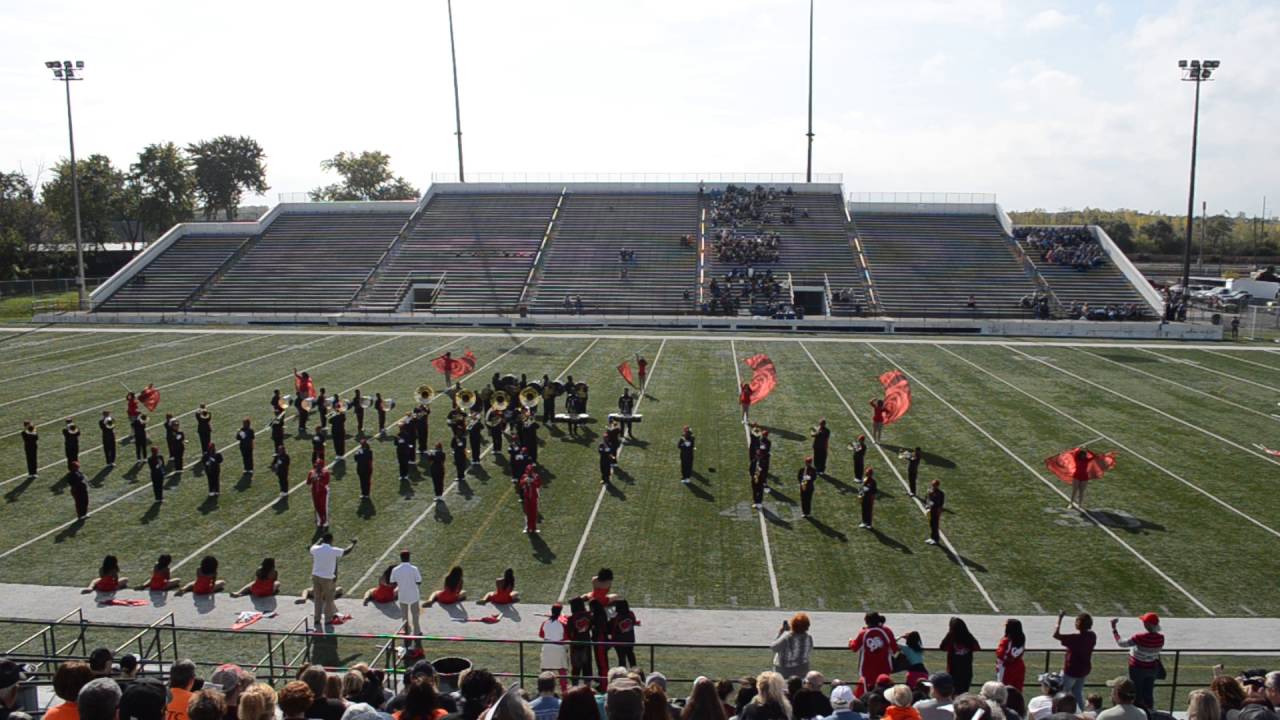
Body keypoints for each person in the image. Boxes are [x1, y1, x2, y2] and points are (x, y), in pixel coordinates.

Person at [1110, 613, 1164, 710]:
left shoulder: (1140, 637)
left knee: (1136, 694)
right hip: (1152, 668)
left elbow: (1121, 643)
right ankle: (1150, 713)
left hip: (1137, 669)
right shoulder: (1161, 638)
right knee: (1148, 694)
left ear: (1146, 624)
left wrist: (1114, 629)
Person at [310, 534, 356, 628]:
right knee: (329, 599)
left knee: (317, 599)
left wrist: (320, 540)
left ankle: (317, 619)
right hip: (327, 578)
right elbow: (346, 551)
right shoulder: (332, 550)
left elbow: (313, 546)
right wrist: (353, 544)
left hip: (315, 576)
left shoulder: (315, 549)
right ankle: (327, 620)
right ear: (331, 540)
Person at [1053, 613, 1096, 711]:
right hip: (1084, 670)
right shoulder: (1092, 635)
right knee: (1077, 693)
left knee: (1060, 694)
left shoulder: (1075, 638)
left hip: (1071, 671)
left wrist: (1059, 619)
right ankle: (1081, 714)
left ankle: (1058, 713)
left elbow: (1056, 635)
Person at [850, 612, 898, 697]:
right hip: (884, 667)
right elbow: (894, 649)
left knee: (868, 693)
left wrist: (850, 641)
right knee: (884, 693)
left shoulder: (863, 633)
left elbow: (855, 647)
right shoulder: (886, 631)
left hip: (867, 669)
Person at [390, 550, 423, 651]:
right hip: (413, 595)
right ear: (409, 557)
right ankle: (417, 632)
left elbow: (392, 582)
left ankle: (407, 632)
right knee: (415, 615)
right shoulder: (414, 569)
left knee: (404, 616)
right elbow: (419, 581)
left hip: (402, 595)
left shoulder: (395, 569)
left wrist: (401, 585)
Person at [538, 604, 569, 694]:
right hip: (559, 648)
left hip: (547, 647)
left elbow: (541, 635)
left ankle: (543, 690)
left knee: (545, 670)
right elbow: (566, 636)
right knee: (562, 670)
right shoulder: (562, 624)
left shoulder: (545, 622)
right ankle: (564, 691)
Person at [772, 613, 814, 679]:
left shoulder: (787, 638)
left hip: (784, 671)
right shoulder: (809, 638)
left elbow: (774, 647)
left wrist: (781, 633)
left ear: (793, 625)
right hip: (802, 671)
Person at [566, 597, 594, 688]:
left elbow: (568, 632)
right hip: (586, 642)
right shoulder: (589, 615)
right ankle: (588, 686)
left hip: (576, 644)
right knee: (587, 664)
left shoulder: (572, 618)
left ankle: (575, 686)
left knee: (576, 666)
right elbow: (591, 627)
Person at [996, 620, 1027, 694]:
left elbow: (1000, 654)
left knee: (1003, 689)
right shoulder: (1022, 638)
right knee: (1017, 690)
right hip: (1019, 665)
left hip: (1006, 667)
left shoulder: (1006, 640)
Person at [609, 599, 639, 668]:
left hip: (619, 641)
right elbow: (634, 622)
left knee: (621, 659)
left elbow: (611, 628)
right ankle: (635, 671)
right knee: (631, 656)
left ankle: (622, 674)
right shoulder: (631, 614)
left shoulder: (616, 617)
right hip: (630, 639)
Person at [308, 459, 331, 528]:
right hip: (314, 492)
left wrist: (319, 479)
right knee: (317, 506)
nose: (317, 467)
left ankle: (326, 521)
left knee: (324, 507)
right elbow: (308, 482)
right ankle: (320, 520)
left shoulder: (326, 472)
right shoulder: (311, 472)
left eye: (319, 466)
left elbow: (326, 483)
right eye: (317, 465)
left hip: (323, 492)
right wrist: (312, 479)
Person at [520, 465, 543, 534]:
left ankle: (534, 528)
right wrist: (525, 480)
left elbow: (538, 484)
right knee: (527, 513)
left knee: (534, 513)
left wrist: (533, 481)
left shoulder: (536, 476)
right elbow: (521, 484)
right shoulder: (524, 476)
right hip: (527, 497)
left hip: (534, 497)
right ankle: (527, 527)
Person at [925, 480, 944, 545]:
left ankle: (936, 539)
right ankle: (932, 538)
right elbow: (927, 498)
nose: (933, 486)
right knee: (931, 524)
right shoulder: (930, 491)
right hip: (931, 510)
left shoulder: (939, 493)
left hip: (936, 511)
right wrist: (927, 505)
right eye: (932, 485)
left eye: (934, 485)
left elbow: (937, 503)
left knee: (935, 525)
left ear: (937, 486)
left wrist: (929, 504)